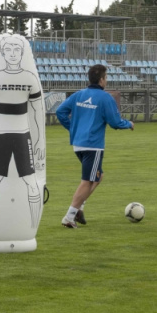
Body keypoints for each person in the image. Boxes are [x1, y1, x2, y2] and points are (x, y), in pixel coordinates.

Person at [0, 35, 45, 229]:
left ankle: (30, 227)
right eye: (9, 50)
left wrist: (38, 141)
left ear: (22, 53)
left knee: (31, 182)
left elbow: (37, 112)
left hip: (22, 137)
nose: (13, 54)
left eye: (17, 50)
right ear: (2, 53)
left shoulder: (29, 78)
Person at [55, 64, 133, 228]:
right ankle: (69, 217)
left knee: (98, 176)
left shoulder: (79, 95)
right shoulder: (105, 98)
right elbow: (115, 122)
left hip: (78, 144)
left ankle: (79, 208)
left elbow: (60, 112)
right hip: (93, 145)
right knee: (87, 181)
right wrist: (129, 124)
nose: (107, 80)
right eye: (106, 77)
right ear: (102, 79)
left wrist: (73, 129)